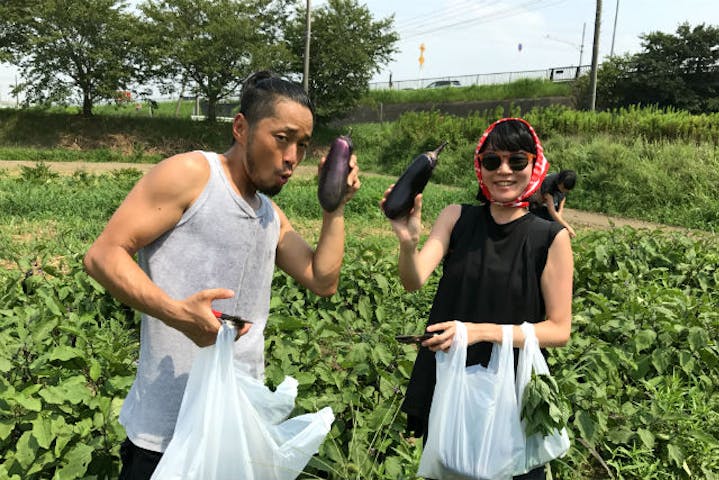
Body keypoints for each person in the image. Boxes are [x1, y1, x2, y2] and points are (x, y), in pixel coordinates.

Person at [83, 70, 361, 480]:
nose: (291, 158)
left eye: (302, 145)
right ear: (241, 127)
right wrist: (178, 314)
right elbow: (103, 255)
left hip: (234, 431)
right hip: (167, 435)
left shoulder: (270, 216)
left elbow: (323, 281)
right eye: (281, 138)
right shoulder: (192, 175)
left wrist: (334, 207)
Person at [381, 117, 573, 480]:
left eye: (517, 161)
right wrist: (407, 242)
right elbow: (414, 279)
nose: (504, 170)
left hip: (513, 390)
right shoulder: (457, 217)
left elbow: (559, 330)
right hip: (451, 384)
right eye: (491, 161)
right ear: (479, 167)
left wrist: (478, 332)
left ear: (534, 166)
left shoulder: (549, 238)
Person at [529, 169, 577, 238]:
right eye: (563, 188)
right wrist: (567, 227)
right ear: (560, 182)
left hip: (548, 204)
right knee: (540, 226)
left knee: (554, 224)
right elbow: (552, 211)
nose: (564, 191)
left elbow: (563, 197)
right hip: (537, 203)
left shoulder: (564, 184)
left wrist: (560, 212)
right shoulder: (549, 183)